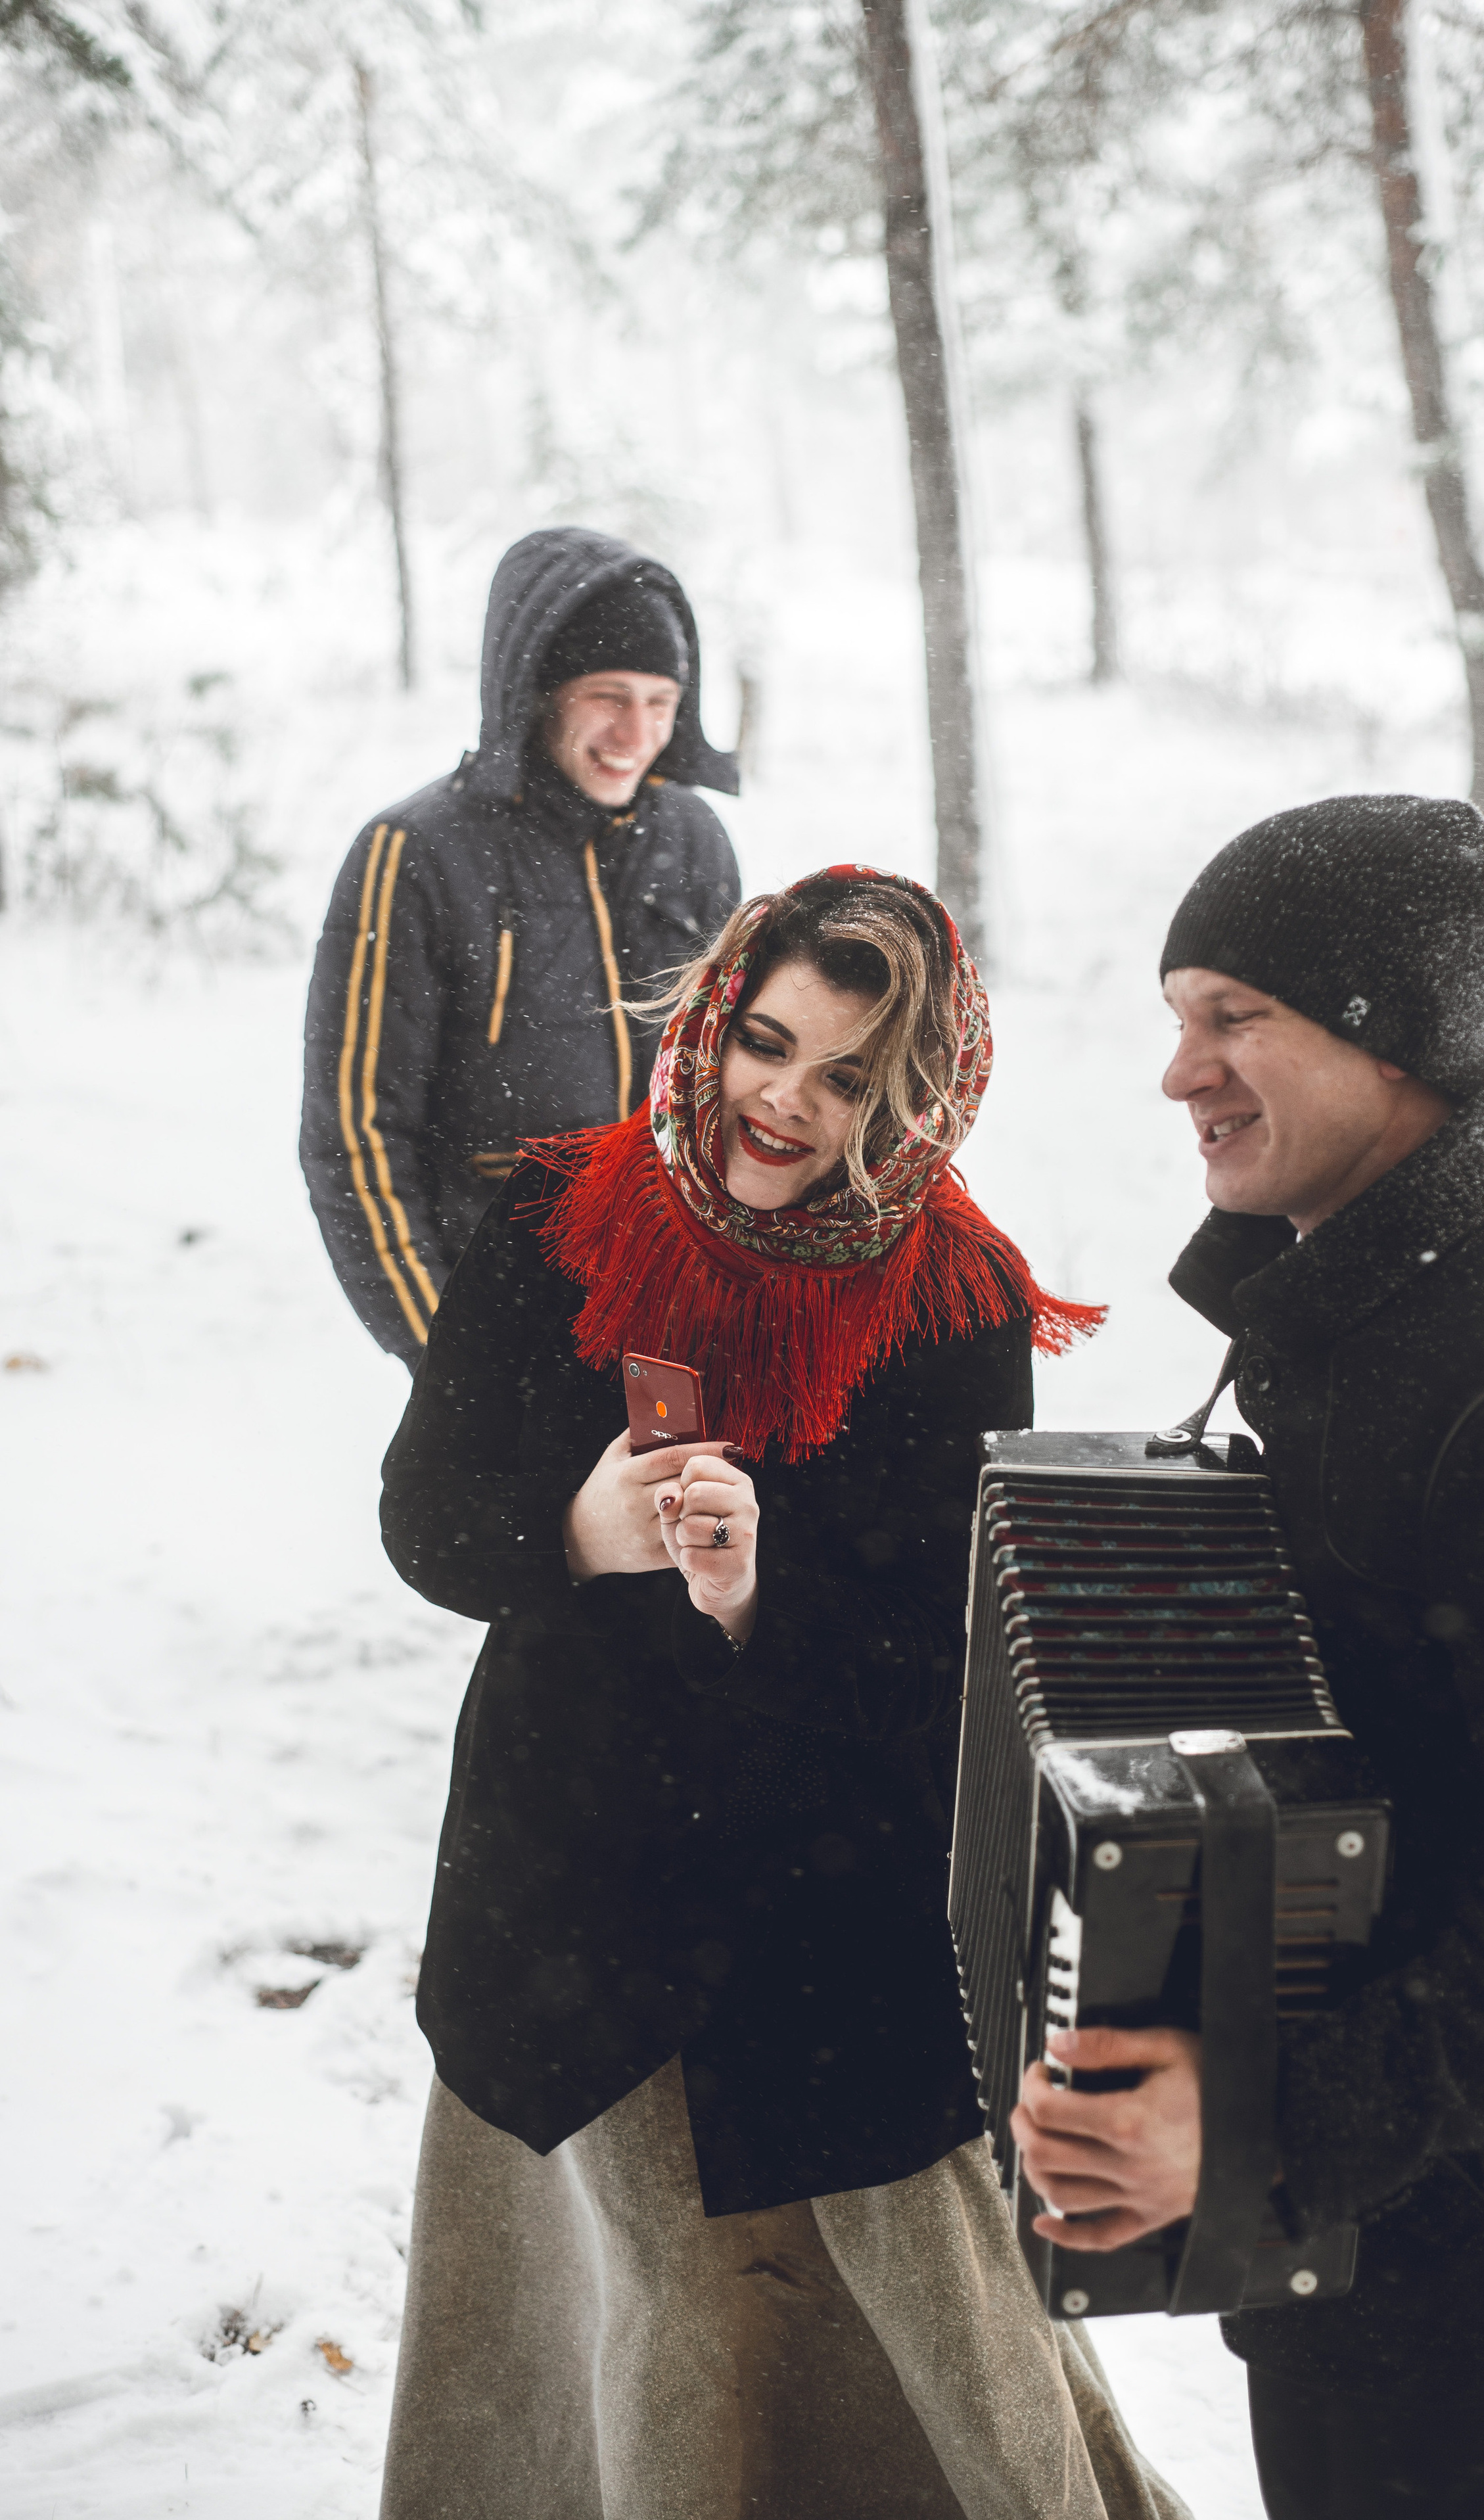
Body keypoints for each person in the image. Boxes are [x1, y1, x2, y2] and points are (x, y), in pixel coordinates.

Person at [373, 866, 1190, 2520]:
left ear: (913, 1100)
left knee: (896, 2309)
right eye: (765, 1042)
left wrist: (759, 1598)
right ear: (715, 1014)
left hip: (827, 1911)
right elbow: (425, 1509)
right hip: (574, 1875)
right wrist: (579, 1529)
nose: (782, 1101)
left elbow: (946, 1646)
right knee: (623, 2301)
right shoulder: (556, 1211)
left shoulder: (955, 1290)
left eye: (844, 1080)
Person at [1013, 793, 1484, 2519]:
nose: (1181, 1073)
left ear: (1393, 1038)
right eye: (1177, 1019)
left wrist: (1265, 2123)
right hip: (1362, 2250)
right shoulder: (1360, 1292)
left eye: (1234, 1016)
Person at [300, 525, 741, 1365]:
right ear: (540, 689)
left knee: (684, 1502)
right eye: (608, 695)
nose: (635, 733)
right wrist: (448, 1359)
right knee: (529, 1505)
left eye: (661, 703)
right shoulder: (416, 853)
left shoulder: (693, 840)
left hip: (671, 1321)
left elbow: (728, 1088)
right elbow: (354, 1137)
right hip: (500, 1322)